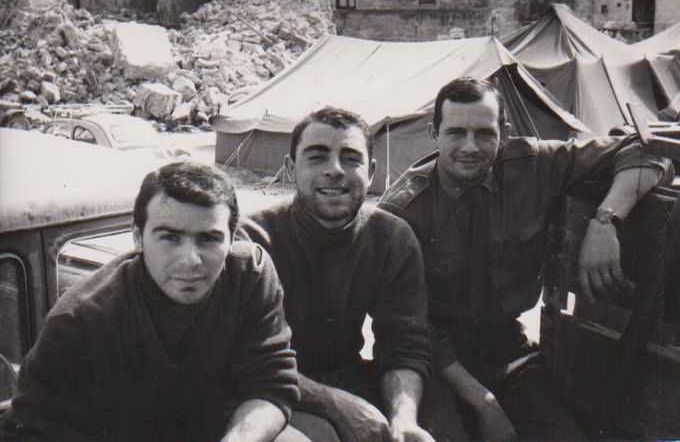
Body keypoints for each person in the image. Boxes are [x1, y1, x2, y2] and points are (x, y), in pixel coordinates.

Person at [378, 77, 672, 441]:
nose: (470, 147)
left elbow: (646, 149)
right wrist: (485, 404)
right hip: (434, 365)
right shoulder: (401, 212)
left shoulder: (530, 166)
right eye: (456, 133)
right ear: (433, 134)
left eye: (484, 133)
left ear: (503, 133)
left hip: (507, 351)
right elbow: (408, 329)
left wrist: (605, 220)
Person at [2, 161, 309, 442]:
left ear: (232, 239)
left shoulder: (249, 275)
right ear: (138, 238)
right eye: (169, 237)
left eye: (209, 238)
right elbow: (33, 431)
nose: (190, 260)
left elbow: (270, 384)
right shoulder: (80, 320)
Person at [238, 107, 466, 442]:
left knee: (436, 414)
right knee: (321, 434)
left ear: (371, 172)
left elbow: (404, 343)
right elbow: (248, 357)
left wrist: (403, 420)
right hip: (271, 387)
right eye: (317, 157)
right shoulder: (253, 240)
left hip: (349, 375)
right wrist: (336, 406)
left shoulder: (391, 236)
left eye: (350, 158)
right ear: (290, 169)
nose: (334, 170)